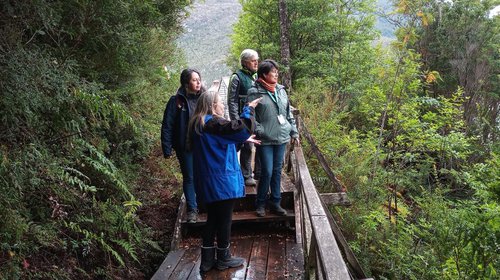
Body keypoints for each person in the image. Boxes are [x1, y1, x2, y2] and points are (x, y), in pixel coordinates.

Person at [188, 91, 262, 273]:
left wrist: (242, 139)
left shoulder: (199, 123)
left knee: (212, 218)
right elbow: (241, 127)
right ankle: (223, 257)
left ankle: (207, 261)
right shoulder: (212, 122)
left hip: (208, 179)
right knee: (224, 220)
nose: (223, 106)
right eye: (221, 103)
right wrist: (249, 109)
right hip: (221, 179)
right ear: (213, 105)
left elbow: (220, 143)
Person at [246, 59, 299, 217]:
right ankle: (260, 204)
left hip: (282, 136)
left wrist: (294, 132)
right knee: (267, 171)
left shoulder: (281, 90)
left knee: (277, 171)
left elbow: (288, 113)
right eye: (273, 72)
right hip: (265, 139)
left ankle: (276, 203)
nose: (276, 74)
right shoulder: (254, 92)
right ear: (264, 74)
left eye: (277, 72)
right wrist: (260, 130)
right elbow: (251, 115)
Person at [161, 68, 205, 223]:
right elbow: (168, 125)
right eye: (194, 80)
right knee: (190, 177)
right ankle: (192, 210)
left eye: (199, 79)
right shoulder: (177, 101)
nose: (198, 82)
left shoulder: (204, 99)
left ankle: (205, 204)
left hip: (203, 145)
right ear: (186, 83)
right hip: (184, 146)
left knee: (204, 174)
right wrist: (167, 148)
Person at [228, 49, 261, 186]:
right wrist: (236, 121)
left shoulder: (256, 76)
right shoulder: (236, 77)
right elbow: (232, 101)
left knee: (257, 142)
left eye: (257, 60)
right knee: (246, 145)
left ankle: (258, 173)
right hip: (243, 118)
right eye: (254, 61)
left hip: (255, 117)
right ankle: (246, 175)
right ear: (245, 62)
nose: (256, 63)